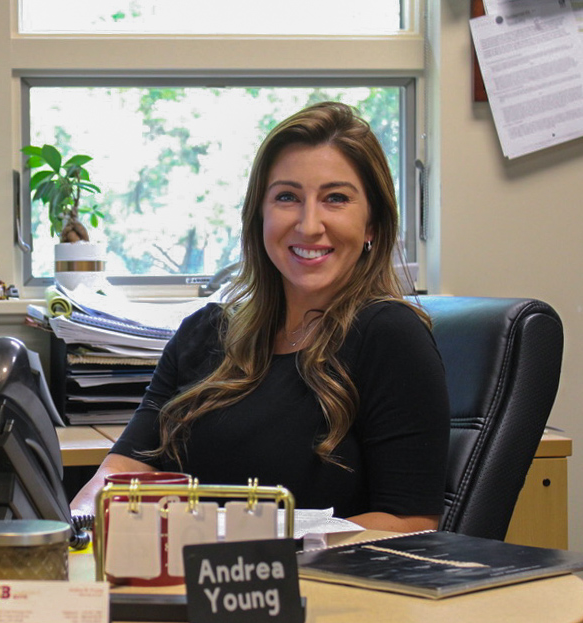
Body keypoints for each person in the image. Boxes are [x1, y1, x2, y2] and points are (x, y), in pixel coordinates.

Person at [70, 101, 449, 534]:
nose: (309, 225)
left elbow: (412, 522)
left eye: (336, 199)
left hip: (321, 592)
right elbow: (118, 477)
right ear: (259, 217)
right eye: (287, 197)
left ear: (372, 226)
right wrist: (81, 527)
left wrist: (249, 552)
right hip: (189, 583)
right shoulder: (205, 333)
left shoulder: (390, 337)